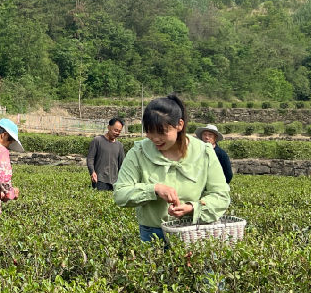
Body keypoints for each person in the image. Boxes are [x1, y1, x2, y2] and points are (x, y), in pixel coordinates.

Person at [114, 94, 230, 243]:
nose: (155, 138)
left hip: (194, 232)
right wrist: (154, 189)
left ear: (179, 125)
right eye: (150, 131)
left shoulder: (204, 152)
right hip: (152, 234)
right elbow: (120, 194)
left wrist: (192, 208)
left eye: (161, 132)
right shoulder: (138, 152)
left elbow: (221, 196)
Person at [86, 117, 126, 191]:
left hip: (115, 182)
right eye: (115, 130)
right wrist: (92, 172)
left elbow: (122, 164)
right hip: (100, 180)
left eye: (119, 131)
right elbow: (90, 158)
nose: (117, 133)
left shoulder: (119, 145)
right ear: (109, 127)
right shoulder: (97, 140)